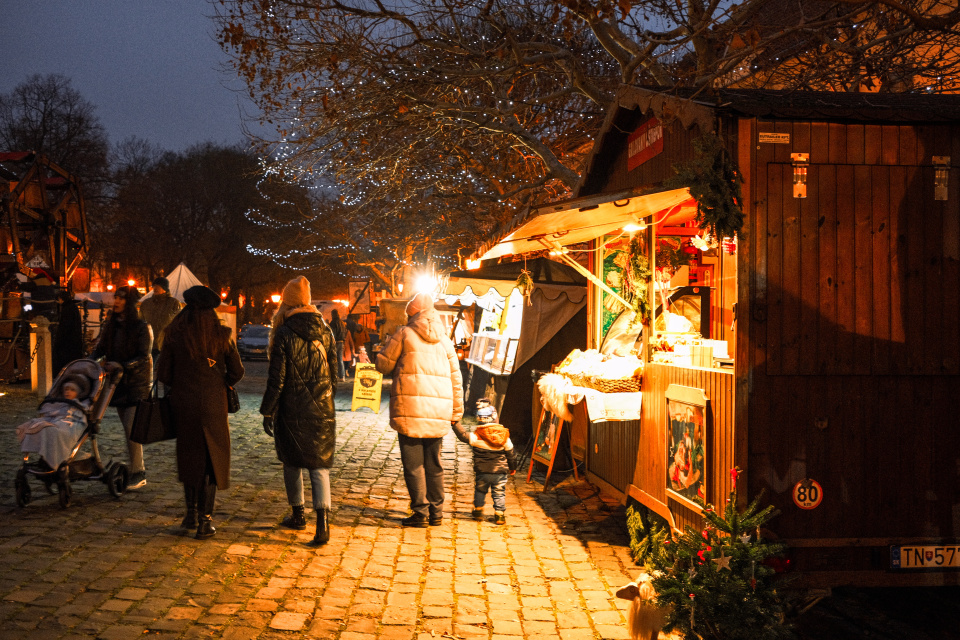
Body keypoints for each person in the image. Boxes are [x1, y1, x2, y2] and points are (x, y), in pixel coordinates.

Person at [156, 285, 244, 540]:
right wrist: (219, 381)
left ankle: (191, 513)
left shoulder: (175, 333)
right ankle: (205, 521)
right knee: (211, 460)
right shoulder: (222, 334)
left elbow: (163, 374)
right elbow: (237, 372)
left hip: (184, 404)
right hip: (214, 404)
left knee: (190, 457)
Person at [260, 276, 338, 546]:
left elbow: (277, 379)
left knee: (291, 460)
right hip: (321, 406)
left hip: (291, 407)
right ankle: (323, 524)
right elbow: (335, 374)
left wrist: (268, 410)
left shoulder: (284, 332)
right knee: (319, 464)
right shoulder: (326, 331)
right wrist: (326, 400)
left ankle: (298, 514)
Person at [376, 292, 464, 527]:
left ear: (412, 313)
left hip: (410, 410)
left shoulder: (404, 334)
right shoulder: (445, 340)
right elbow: (457, 378)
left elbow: (383, 364)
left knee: (414, 465)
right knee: (434, 465)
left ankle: (421, 513)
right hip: (437, 412)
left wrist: (386, 343)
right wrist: (456, 412)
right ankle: (437, 513)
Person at [90, 285, 152, 489]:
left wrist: (123, 366)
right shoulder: (112, 326)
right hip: (116, 383)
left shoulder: (141, 327)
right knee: (120, 426)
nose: (116, 301)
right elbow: (101, 349)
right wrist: (88, 362)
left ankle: (138, 471)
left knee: (131, 428)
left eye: (121, 298)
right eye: (115, 297)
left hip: (135, 384)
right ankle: (131, 468)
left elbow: (143, 356)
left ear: (130, 302)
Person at [16, 375, 91, 470]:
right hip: (55, 420)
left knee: (50, 430)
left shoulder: (81, 405)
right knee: (31, 425)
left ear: (78, 393)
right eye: (66, 389)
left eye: (72, 390)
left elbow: (77, 416)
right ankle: (41, 457)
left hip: (69, 424)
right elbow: (51, 412)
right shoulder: (59, 403)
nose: (68, 392)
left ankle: (55, 460)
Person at [452, 422, 517, 525]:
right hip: (499, 473)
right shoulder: (504, 438)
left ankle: (478, 510)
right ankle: (499, 514)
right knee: (499, 492)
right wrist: (512, 467)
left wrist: (455, 424)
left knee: (480, 490)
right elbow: (511, 454)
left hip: (482, 472)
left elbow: (463, 436)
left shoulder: (477, 437)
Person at [139, 276, 183, 360]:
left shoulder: (173, 303)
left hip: (165, 344)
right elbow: (140, 321)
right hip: (148, 344)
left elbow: (178, 324)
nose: (155, 288)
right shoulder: (146, 303)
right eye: (154, 286)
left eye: (158, 286)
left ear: (164, 288)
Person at [52, 291, 84, 374]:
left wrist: (58, 341)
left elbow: (64, 327)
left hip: (67, 343)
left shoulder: (66, 309)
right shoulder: (73, 307)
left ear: (61, 299)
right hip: (74, 342)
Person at [329, 308, 346, 381]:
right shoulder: (342, 322)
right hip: (342, 342)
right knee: (340, 359)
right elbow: (345, 332)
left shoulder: (333, 322)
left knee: (333, 359)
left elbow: (332, 333)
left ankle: (334, 376)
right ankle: (342, 376)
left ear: (333, 314)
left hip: (335, 342)